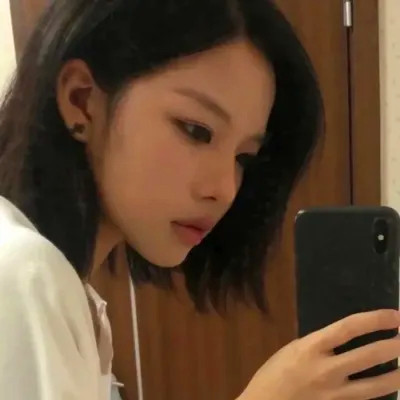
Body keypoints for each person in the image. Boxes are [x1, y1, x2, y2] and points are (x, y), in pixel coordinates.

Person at [0, 0, 399, 399]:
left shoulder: (70, 293)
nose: (225, 189)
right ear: (82, 100)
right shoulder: (26, 275)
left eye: (244, 157)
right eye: (196, 130)